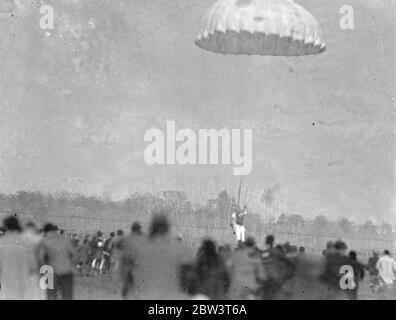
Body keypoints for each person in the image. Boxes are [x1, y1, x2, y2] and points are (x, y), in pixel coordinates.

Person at [121, 214, 194, 300]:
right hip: (170, 297)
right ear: (167, 229)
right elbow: (187, 276)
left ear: (151, 228)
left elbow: (128, 271)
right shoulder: (179, 248)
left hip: (143, 295)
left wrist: (126, 288)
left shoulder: (138, 246)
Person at [0, 216, 43, 300]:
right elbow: (33, 265)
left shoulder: (2, 242)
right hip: (24, 280)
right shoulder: (26, 242)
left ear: (6, 227)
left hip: (7, 279)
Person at [37, 223, 75, 300]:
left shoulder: (45, 241)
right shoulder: (66, 239)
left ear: (45, 232)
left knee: (52, 295)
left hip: (52, 272)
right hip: (66, 271)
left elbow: (40, 258)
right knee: (67, 296)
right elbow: (74, 253)